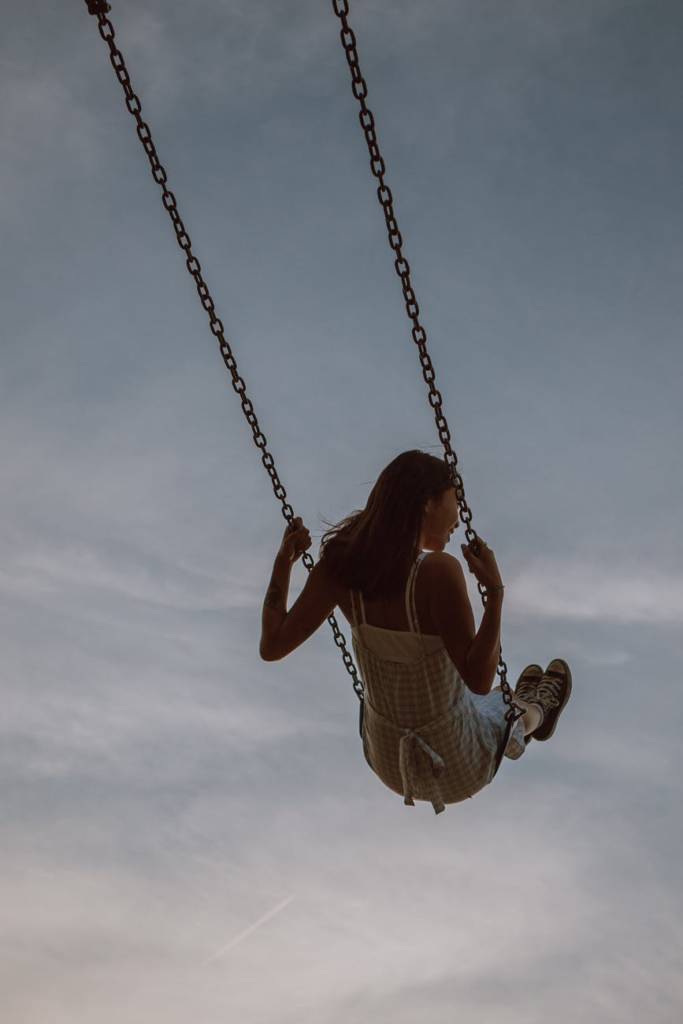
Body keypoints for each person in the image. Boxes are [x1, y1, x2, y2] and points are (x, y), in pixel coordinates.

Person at [261, 449, 572, 814]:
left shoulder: (340, 568)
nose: (458, 516)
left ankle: (523, 701)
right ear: (428, 502)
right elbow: (478, 677)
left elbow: (272, 645)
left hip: (388, 760)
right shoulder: (438, 572)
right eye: (455, 500)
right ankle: (537, 706)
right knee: (503, 705)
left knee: (464, 697)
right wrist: (495, 595)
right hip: (458, 764)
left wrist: (284, 561)